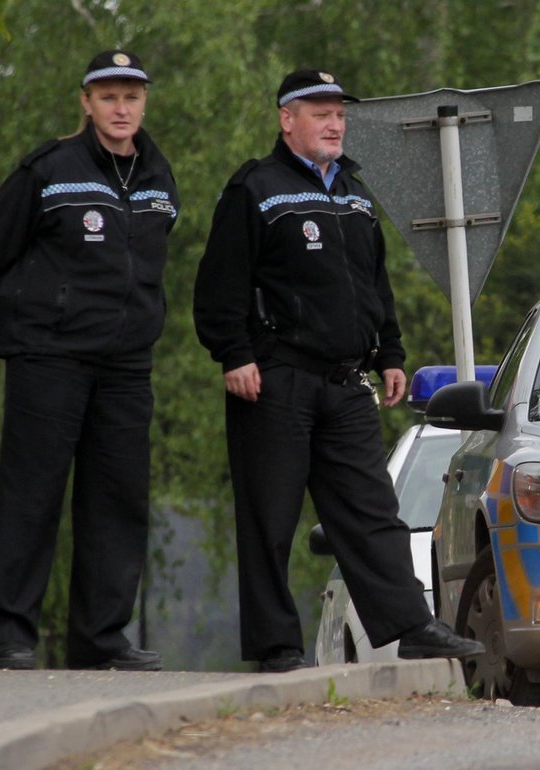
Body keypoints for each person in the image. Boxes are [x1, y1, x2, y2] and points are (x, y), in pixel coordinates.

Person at [193, 69, 484, 672]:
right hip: (276, 378)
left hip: (346, 382)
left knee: (372, 510)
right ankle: (276, 647)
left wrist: (391, 353)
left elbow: (374, 282)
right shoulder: (257, 187)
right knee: (269, 516)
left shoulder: (354, 192)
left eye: (339, 114)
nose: (333, 123)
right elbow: (218, 285)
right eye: (320, 112)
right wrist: (234, 353)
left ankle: (411, 626)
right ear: (286, 119)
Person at [0, 50, 178, 671]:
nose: (122, 109)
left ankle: (100, 638)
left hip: (125, 363)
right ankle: (7, 632)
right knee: (31, 493)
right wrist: (35, 315)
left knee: (117, 498)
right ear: (87, 103)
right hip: (50, 356)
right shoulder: (48, 168)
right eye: (109, 97)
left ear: (144, 103)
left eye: (132, 97)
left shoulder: (158, 173)